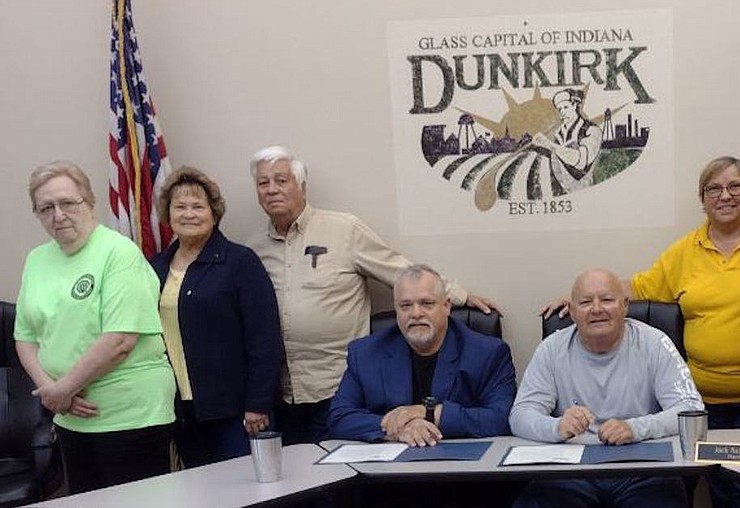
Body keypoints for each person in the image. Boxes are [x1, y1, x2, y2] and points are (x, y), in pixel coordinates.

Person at [543, 157, 740, 508]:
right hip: (705, 401)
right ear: (702, 199)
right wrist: (585, 300)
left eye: (735, 186)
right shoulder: (684, 252)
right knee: (720, 489)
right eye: (714, 189)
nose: (725, 196)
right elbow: (640, 286)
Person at [245, 145, 499, 444]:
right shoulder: (252, 249)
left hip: (336, 387)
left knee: (336, 485)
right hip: (282, 395)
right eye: (264, 183)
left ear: (302, 185)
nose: (272, 189)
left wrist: (456, 295)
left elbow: (399, 270)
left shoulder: (344, 230)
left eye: (281, 180)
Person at [14, 161, 176, 493]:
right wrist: (52, 393)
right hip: (70, 416)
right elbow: (24, 336)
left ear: (89, 203)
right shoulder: (36, 260)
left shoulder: (119, 254)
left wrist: (63, 390)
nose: (58, 215)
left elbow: (119, 340)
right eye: (46, 208)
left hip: (129, 414)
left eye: (67, 203)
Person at [329, 264, 517, 508]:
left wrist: (429, 413)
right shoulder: (365, 353)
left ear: (447, 306)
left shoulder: (487, 352)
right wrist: (396, 428)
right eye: (405, 306)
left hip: (462, 486)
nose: (415, 313)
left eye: (426, 304)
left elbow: (501, 419)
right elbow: (339, 416)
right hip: (387, 487)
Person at [512, 269, 704, 508]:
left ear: (625, 305)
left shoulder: (656, 343)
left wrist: (636, 428)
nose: (596, 309)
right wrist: (556, 426)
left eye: (606, 300)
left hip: (644, 471)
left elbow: (691, 410)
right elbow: (520, 414)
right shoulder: (551, 349)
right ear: (571, 311)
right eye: (585, 302)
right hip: (570, 473)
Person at [150, 166, 284, 467]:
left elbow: (264, 338)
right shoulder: (155, 267)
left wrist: (258, 404)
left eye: (198, 206)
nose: (189, 214)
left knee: (245, 493)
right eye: (179, 206)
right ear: (167, 214)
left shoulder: (239, 262)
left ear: (214, 213)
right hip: (181, 411)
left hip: (237, 411)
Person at [532, 88, 603, 194]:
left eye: (565, 107)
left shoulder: (592, 130)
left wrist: (548, 144)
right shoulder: (558, 134)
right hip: (562, 192)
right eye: (559, 109)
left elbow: (580, 162)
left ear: (574, 105)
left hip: (585, 193)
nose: (562, 112)